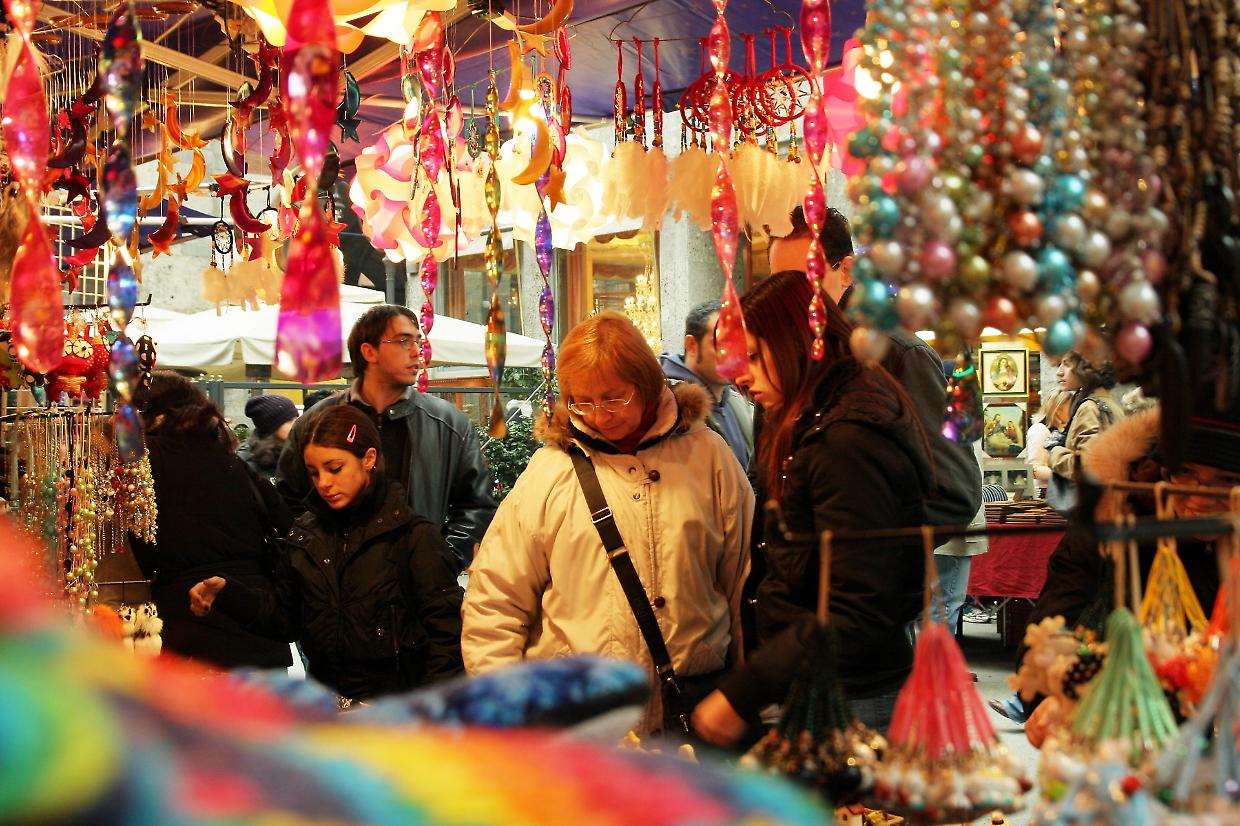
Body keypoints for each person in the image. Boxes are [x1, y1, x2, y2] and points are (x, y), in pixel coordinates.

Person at [462, 311, 754, 733]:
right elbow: (495, 602)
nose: (599, 415)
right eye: (582, 401)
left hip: (693, 717)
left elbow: (744, 585)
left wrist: (750, 700)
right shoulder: (550, 472)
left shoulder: (709, 457)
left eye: (614, 398)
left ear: (647, 384)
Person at [692, 272, 935, 746]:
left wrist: (747, 688)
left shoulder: (846, 439)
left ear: (798, 343)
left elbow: (859, 605)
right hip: (818, 681)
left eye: (754, 356)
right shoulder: (805, 419)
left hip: (850, 693)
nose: (741, 376)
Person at [190, 405, 465, 701]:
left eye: (335, 468)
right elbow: (285, 618)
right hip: (325, 708)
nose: (324, 483)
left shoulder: (413, 538)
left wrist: (427, 712)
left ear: (369, 459)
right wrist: (231, 594)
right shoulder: (305, 536)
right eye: (314, 472)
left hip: (394, 713)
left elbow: (446, 639)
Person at [990, 402, 1225, 724]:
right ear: (1159, 472)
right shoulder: (1107, 532)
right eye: (1186, 474)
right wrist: (1072, 687)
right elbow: (1047, 640)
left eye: (1226, 480)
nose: (1200, 496)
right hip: (1126, 727)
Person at [769, 206, 981, 529]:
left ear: (846, 271)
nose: (788, 299)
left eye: (804, 281)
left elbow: (955, 491)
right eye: (778, 283)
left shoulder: (897, 354)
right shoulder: (784, 355)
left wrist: (863, 539)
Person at [277, 305, 496, 571]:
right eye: (403, 341)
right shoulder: (316, 422)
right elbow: (287, 501)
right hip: (335, 585)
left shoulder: (449, 424)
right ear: (369, 351)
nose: (417, 352)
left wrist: (440, 560)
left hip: (415, 584)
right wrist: (317, 561)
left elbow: (476, 507)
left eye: (418, 341)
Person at [129, 371, 293, 671]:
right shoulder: (234, 462)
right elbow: (285, 521)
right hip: (259, 631)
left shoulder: (143, 461)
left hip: (189, 629)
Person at [659, 300, 754, 471]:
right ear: (691, 345)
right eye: (721, 344)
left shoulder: (738, 402)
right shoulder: (668, 407)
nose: (731, 356)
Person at [1036, 351, 1120, 491]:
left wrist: (1055, 453)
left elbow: (1087, 468)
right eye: (1059, 364)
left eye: (1067, 364)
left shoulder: (1089, 407)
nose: (1059, 372)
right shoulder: (1112, 405)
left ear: (1085, 367)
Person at [239, 394, 299, 484]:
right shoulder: (246, 464)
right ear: (272, 426)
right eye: (290, 421)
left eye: (296, 419)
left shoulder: (299, 451)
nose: (296, 425)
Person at [1026, 389, 1072, 494]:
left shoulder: (1059, 431)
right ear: (1058, 410)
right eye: (1070, 408)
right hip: (1044, 494)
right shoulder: (1039, 430)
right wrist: (1068, 474)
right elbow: (1034, 469)